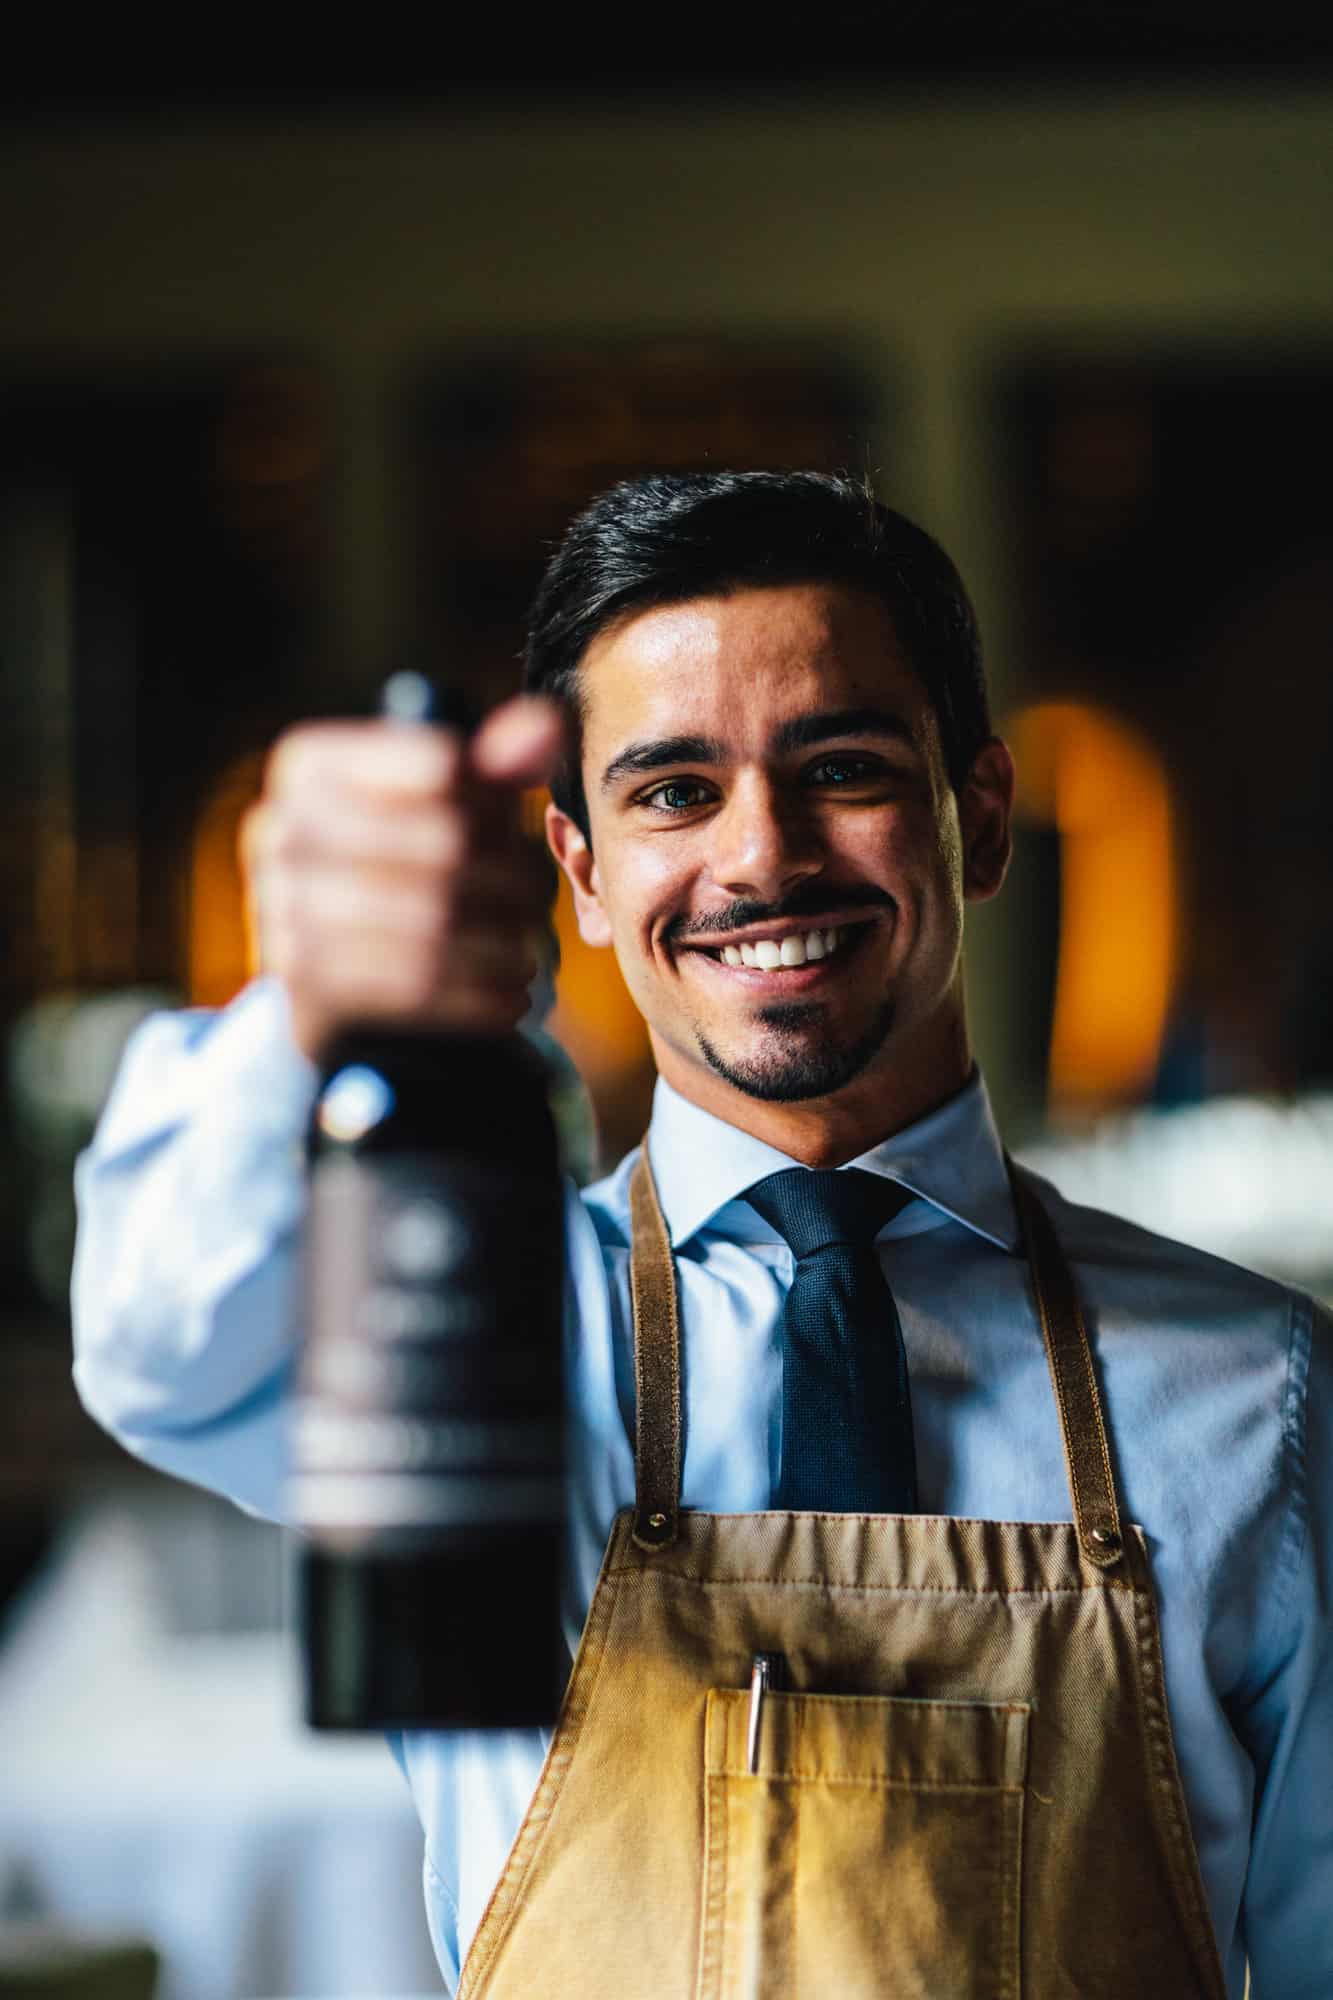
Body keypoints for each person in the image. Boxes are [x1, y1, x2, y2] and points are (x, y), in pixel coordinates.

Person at [72, 471, 1330, 1999]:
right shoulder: (467, 1333)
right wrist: (311, 1016)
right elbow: (155, 1353)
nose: (758, 858)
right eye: (672, 790)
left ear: (977, 818)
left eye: (843, 769)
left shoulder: (1255, 1389)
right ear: (582, 874)